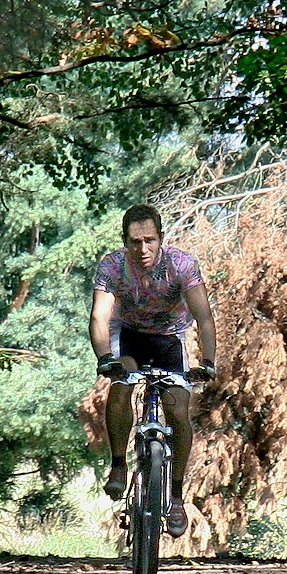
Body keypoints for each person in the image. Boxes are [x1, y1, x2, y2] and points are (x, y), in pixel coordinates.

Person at [89, 204, 216, 538]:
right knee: (121, 384)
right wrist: (105, 358)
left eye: (149, 240)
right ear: (125, 242)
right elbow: (100, 317)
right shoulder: (113, 266)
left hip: (170, 339)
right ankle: (119, 463)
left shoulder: (182, 264)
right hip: (128, 336)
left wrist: (208, 363)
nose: (142, 249)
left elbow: (203, 316)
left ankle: (175, 496)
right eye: (134, 242)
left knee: (178, 409)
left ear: (161, 239)